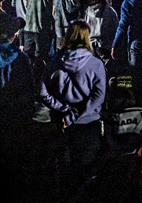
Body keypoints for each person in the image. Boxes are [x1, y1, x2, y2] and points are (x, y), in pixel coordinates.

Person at [38, 20, 107, 184]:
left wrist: (64, 110)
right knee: (86, 175)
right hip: (88, 124)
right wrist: (76, 114)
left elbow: (42, 92)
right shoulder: (96, 64)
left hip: (60, 122)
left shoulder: (54, 62)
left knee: (63, 172)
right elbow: (99, 96)